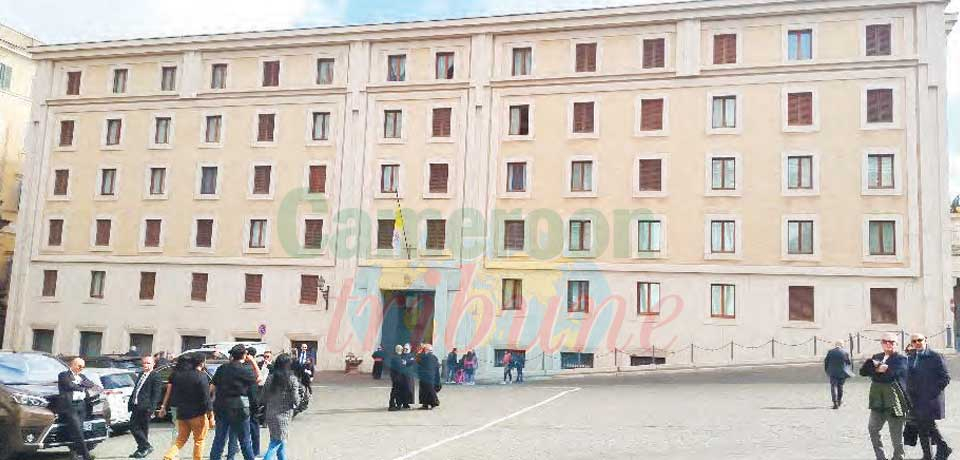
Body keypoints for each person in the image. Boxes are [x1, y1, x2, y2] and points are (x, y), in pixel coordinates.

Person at [860, 332, 909, 460]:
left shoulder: (901, 359)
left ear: (896, 344)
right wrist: (879, 369)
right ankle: (881, 457)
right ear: (881, 343)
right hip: (877, 399)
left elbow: (890, 376)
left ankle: (898, 457)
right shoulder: (877, 356)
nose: (888, 344)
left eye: (891, 342)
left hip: (894, 399)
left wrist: (875, 370)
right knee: (872, 428)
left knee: (896, 434)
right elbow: (863, 372)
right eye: (885, 341)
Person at [209, 344, 261, 460]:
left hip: (221, 406)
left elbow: (212, 386)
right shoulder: (245, 370)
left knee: (219, 440)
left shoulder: (222, 368)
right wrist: (253, 361)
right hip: (239, 407)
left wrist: (211, 402)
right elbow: (258, 378)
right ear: (244, 355)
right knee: (245, 441)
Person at [905, 333, 952, 460]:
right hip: (915, 398)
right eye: (914, 341)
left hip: (929, 398)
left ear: (925, 340)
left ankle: (943, 448)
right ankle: (929, 454)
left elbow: (945, 378)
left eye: (919, 340)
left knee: (927, 424)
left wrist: (930, 392)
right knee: (922, 427)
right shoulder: (911, 356)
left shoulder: (935, 356)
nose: (917, 343)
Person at [160, 354, 215, 460]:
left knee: (180, 440)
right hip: (198, 414)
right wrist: (211, 414)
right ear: (202, 363)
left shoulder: (179, 376)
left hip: (182, 413)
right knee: (199, 440)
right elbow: (206, 397)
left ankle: (168, 457)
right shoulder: (201, 376)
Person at [261, 354, 306, 460]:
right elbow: (296, 399)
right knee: (276, 442)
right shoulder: (292, 379)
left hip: (270, 413)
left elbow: (263, 397)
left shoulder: (270, 378)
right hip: (284, 415)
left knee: (279, 441)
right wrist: (300, 399)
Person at [56, 357, 99, 460]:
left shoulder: (82, 376)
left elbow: (91, 384)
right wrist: (82, 386)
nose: (81, 369)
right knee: (78, 431)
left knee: (78, 430)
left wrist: (80, 384)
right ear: (73, 365)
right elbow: (69, 385)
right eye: (80, 366)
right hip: (70, 406)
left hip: (81, 405)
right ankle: (86, 455)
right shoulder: (64, 375)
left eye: (83, 367)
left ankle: (75, 454)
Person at [128, 356, 163, 458]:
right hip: (136, 405)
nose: (145, 365)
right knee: (136, 427)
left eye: (148, 363)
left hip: (146, 407)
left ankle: (145, 447)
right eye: (144, 363)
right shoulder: (141, 374)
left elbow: (156, 394)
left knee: (137, 427)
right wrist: (131, 401)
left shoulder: (155, 376)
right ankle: (142, 448)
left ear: (153, 364)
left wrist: (152, 408)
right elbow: (137, 389)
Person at [824, 340, 853, 409]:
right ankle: (839, 401)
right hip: (842, 373)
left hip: (832, 372)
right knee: (840, 387)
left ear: (835, 345)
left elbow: (826, 362)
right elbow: (848, 363)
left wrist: (827, 370)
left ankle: (835, 403)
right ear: (842, 345)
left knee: (833, 387)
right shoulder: (845, 352)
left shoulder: (830, 352)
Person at [417, 344, 441, 410]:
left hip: (426, 377)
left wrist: (419, 352)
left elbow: (418, 362)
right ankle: (426, 404)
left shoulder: (424, 356)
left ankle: (433, 402)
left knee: (426, 391)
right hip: (430, 376)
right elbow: (437, 366)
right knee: (426, 391)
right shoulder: (434, 357)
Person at [388, 345, 406, 411]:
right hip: (397, 377)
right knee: (396, 391)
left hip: (396, 377)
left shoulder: (396, 357)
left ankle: (397, 404)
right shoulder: (396, 357)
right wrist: (404, 364)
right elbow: (399, 367)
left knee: (396, 391)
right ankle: (392, 405)